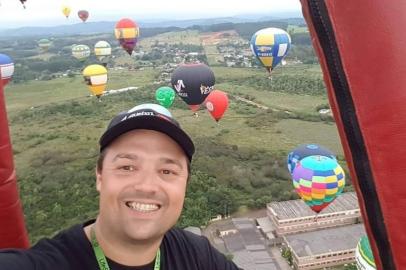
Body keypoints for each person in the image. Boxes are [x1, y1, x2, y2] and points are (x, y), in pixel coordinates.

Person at [0, 103, 240, 270]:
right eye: (127, 167)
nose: (147, 186)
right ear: (100, 176)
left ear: (185, 185)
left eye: (167, 171)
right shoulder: (43, 264)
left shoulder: (196, 254)